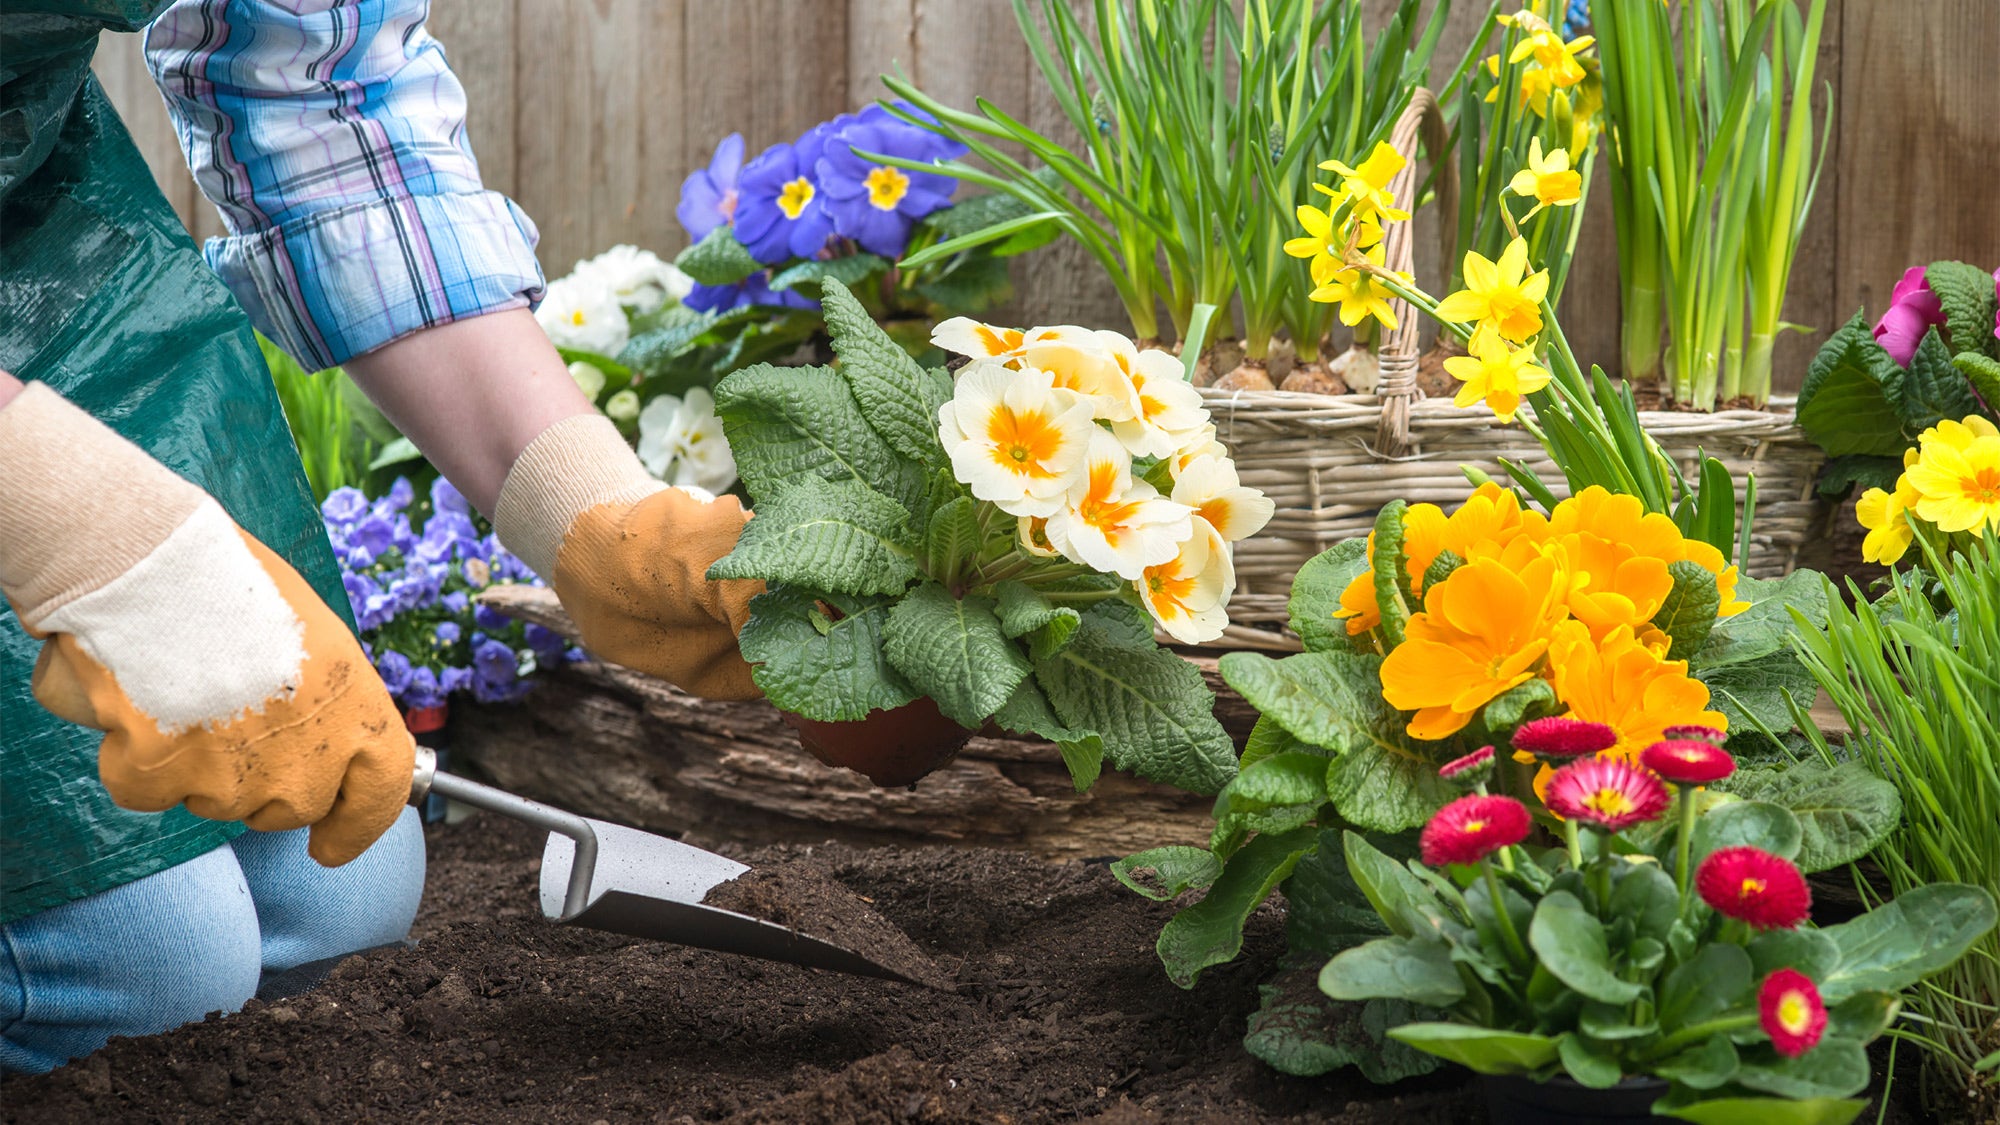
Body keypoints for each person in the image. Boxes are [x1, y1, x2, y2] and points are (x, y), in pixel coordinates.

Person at [0, 0, 761, 1074]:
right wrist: (70, 524)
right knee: (144, 969)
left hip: (38, 226)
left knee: (340, 892)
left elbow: (316, 85)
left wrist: (585, 511)